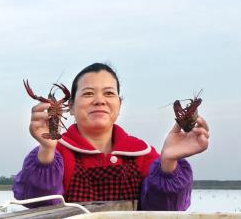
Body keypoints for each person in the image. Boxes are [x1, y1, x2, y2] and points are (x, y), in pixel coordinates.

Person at [13, 63, 209, 210]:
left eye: (108, 93)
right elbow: (38, 207)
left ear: (119, 105)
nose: (99, 100)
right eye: (88, 93)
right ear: (70, 106)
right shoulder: (56, 154)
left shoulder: (143, 155)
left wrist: (168, 162)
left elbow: (165, 212)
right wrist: (47, 151)